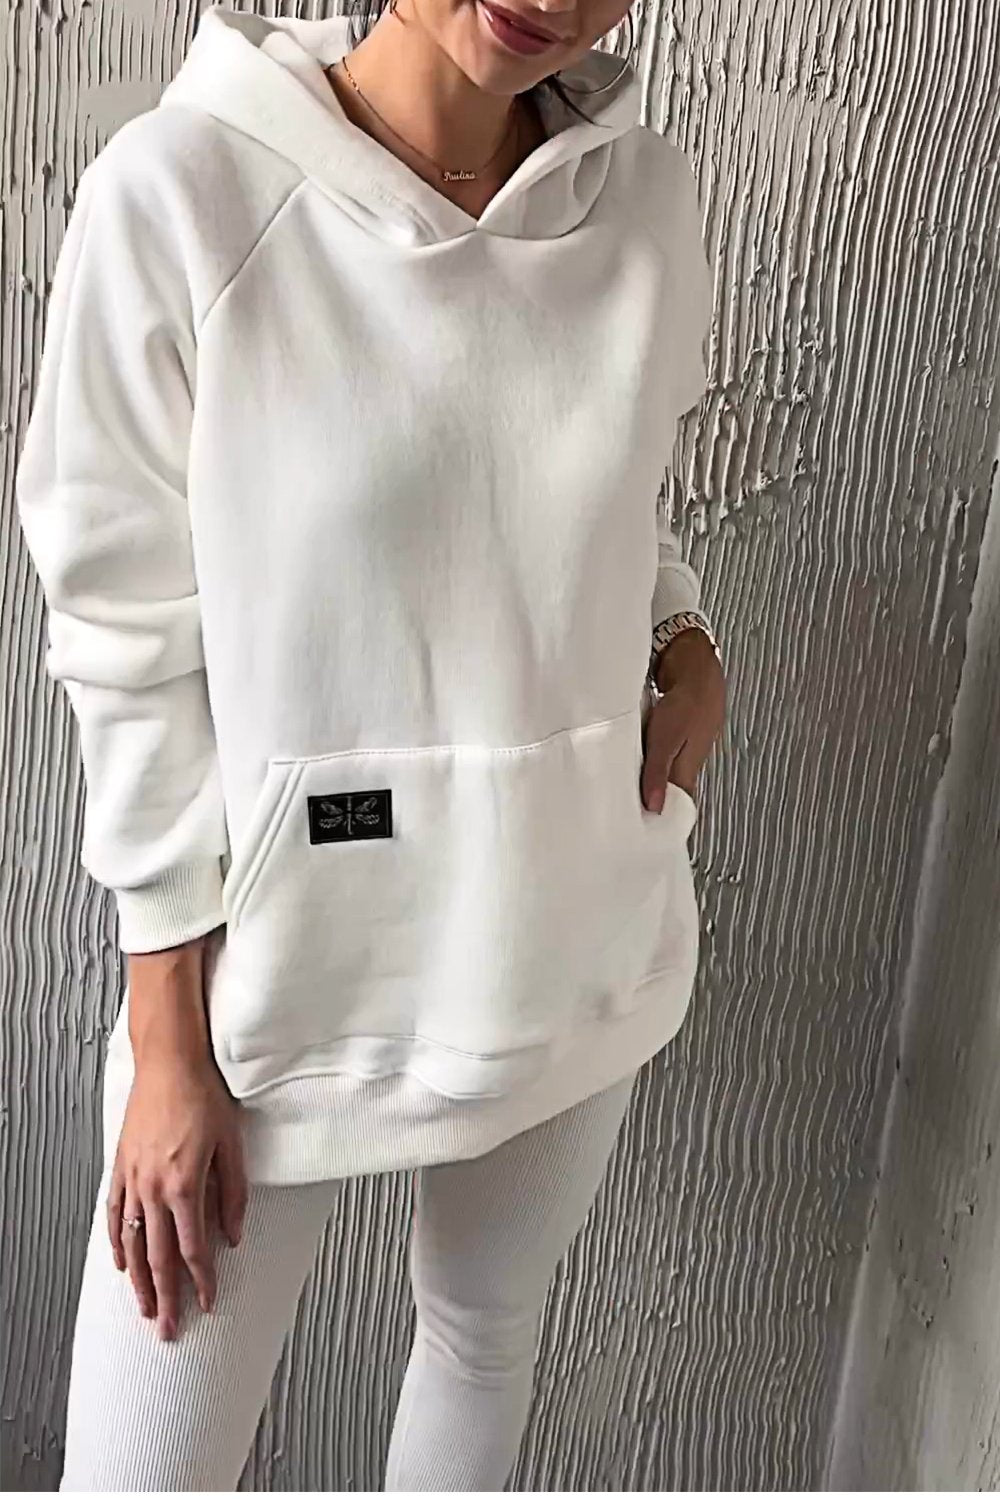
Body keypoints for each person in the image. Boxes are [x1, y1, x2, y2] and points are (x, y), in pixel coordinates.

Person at [14, 0, 726, 1489]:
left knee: (483, 1341)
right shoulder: (184, 196)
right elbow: (123, 638)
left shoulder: (647, 207)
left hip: (572, 932)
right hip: (277, 993)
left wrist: (681, 633)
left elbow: (617, 502)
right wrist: (167, 1041)